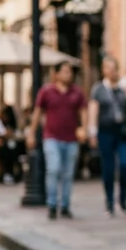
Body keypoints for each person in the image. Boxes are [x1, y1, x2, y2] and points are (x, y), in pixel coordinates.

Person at [30, 61, 88, 219]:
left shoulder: (77, 92)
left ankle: (65, 205)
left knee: (68, 174)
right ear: (55, 74)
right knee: (54, 169)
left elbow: (83, 111)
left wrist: (84, 128)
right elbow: (37, 112)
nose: (67, 75)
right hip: (51, 137)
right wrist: (31, 133)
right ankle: (52, 204)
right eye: (64, 71)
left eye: (69, 72)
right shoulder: (46, 91)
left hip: (71, 139)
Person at [88, 56, 126, 217]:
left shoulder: (124, 86)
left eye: (114, 68)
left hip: (123, 132)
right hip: (105, 131)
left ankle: (123, 198)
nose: (112, 71)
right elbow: (93, 110)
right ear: (103, 70)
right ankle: (109, 202)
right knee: (108, 168)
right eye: (108, 68)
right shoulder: (98, 89)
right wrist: (92, 132)